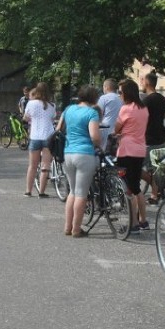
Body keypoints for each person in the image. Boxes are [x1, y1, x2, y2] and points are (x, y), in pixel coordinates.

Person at [56, 85, 101, 237]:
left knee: (72, 191)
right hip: (84, 154)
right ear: (94, 98)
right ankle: (76, 229)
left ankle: (67, 227)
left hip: (68, 153)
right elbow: (94, 137)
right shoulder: (91, 113)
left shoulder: (69, 109)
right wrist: (99, 143)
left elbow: (59, 128)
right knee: (82, 193)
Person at [114, 79, 149, 233]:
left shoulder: (126, 109)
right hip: (140, 150)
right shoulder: (143, 108)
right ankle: (143, 220)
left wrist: (118, 133)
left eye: (120, 92)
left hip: (126, 150)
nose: (119, 95)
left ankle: (133, 224)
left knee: (128, 188)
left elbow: (116, 129)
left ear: (127, 93)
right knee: (136, 187)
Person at [140, 71, 165, 203]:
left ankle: (155, 188)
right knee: (155, 167)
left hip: (149, 138)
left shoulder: (146, 100)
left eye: (142, 81)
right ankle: (155, 194)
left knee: (136, 167)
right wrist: (161, 117)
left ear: (147, 83)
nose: (141, 83)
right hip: (161, 137)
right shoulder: (160, 98)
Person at [23, 82, 56, 197]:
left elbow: (26, 118)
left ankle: (28, 191)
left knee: (32, 165)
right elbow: (52, 119)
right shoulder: (52, 105)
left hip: (35, 137)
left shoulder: (31, 104)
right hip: (48, 137)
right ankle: (41, 192)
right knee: (45, 165)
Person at [97, 79, 122, 152]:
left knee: (103, 151)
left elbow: (98, 113)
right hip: (118, 128)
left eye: (103, 87)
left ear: (106, 87)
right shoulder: (121, 98)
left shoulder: (104, 98)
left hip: (105, 128)